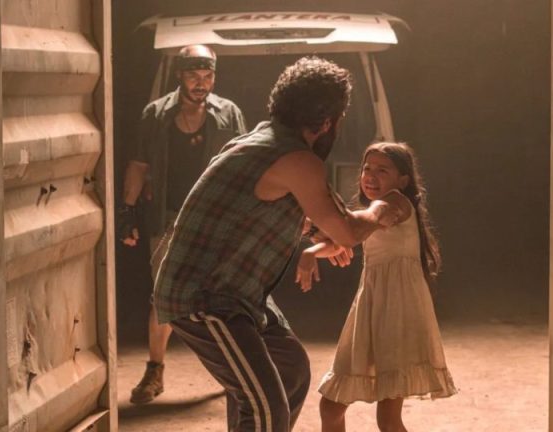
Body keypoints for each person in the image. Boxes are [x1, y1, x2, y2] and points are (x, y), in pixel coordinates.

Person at [153, 56, 403, 431]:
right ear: (327, 121)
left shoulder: (258, 140)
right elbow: (349, 232)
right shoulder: (297, 159)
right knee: (265, 408)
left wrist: (317, 232)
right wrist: (382, 208)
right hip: (205, 297)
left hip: (237, 292)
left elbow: (262, 210)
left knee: (290, 371)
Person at [296, 142, 458, 432]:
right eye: (367, 168)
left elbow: (362, 223)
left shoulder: (393, 203)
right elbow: (343, 239)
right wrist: (312, 251)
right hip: (370, 306)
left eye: (382, 170)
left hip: (398, 310)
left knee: (388, 420)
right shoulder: (372, 211)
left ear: (403, 180)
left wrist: (319, 215)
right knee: (331, 407)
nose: (370, 176)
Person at [118, 44, 247, 404]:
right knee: (164, 297)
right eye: (193, 75)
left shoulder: (229, 113)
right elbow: (139, 164)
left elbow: (243, 166)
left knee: (221, 298)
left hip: (215, 220)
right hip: (169, 217)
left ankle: (232, 373)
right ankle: (155, 371)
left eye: (207, 76)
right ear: (179, 74)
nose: (201, 83)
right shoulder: (156, 114)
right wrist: (128, 212)